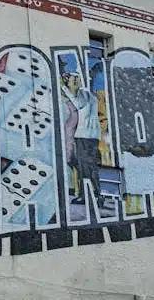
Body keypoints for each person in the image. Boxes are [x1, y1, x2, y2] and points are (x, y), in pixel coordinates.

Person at [60, 73, 103, 206]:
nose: (72, 83)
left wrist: (64, 88)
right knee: (88, 167)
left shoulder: (83, 94)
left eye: (74, 80)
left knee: (85, 168)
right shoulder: (88, 95)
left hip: (85, 135)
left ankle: (91, 196)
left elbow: (79, 104)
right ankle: (93, 195)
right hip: (90, 135)